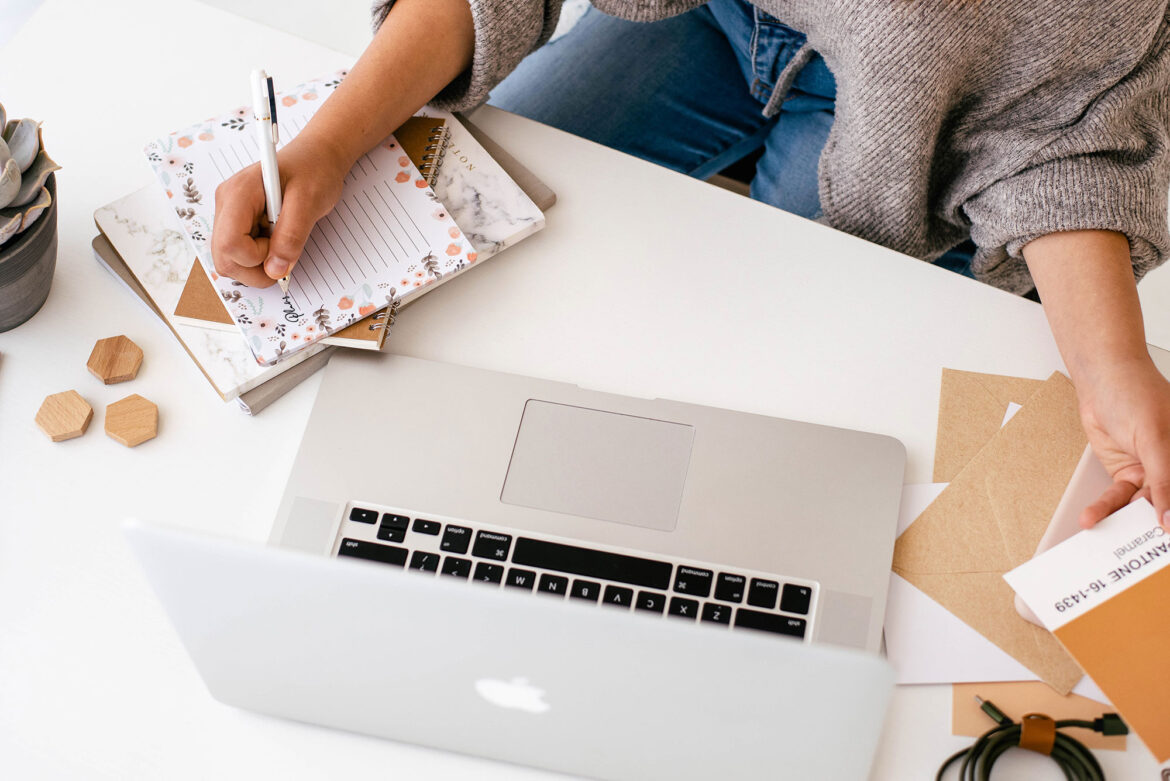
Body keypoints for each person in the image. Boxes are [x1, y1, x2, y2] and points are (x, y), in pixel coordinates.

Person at [211, 0, 1170, 531]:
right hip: (701, 14)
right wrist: (330, 142)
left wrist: (1114, 367)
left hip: (924, 91)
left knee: (797, 391)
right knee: (493, 181)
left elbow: (1060, 139)